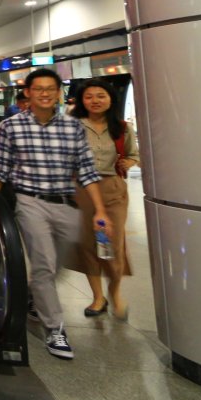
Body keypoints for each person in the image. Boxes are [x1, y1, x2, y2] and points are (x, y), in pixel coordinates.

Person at [0, 68, 112, 360]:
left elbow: (86, 170)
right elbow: (0, 170)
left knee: (58, 263)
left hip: (66, 203)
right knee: (43, 263)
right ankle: (55, 329)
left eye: (50, 88)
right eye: (38, 88)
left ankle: (34, 295)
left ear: (59, 93)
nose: (44, 93)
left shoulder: (72, 128)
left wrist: (100, 211)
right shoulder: (11, 126)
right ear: (28, 93)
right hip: (29, 201)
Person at [70, 79, 139, 320]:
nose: (95, 101)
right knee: (88, 245)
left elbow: (133, 154)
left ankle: (115, 290)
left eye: (101, 96)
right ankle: (98, 297)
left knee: (113, 243)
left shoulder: (121, 128)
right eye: (89, 96)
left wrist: (129, 162)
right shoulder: (73, 126)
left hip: (113, 189)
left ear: (110, 99)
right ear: (82, 101)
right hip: (82, 190)